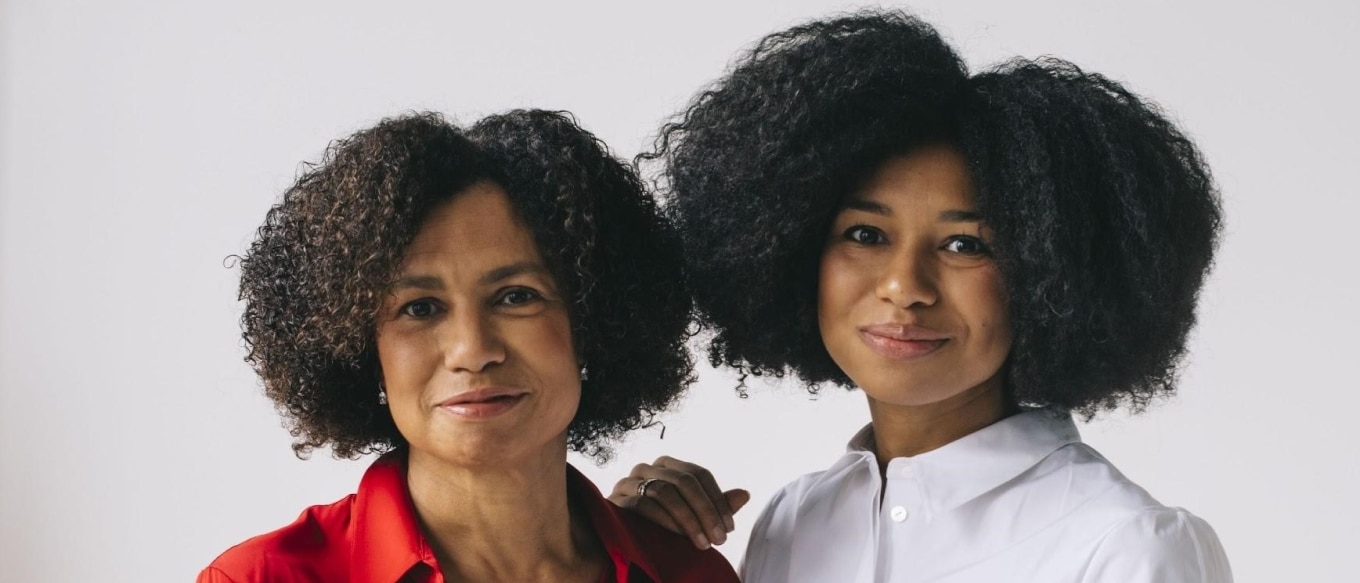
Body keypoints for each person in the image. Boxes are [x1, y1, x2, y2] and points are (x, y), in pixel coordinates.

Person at [610, 10, 1232, 582]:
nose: (904, 287)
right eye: (865, 234)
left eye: (966, 245)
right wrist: (619, 546)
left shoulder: (1124, 546)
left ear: (1051, 276)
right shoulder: (794, 522)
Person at [199, 110, 738, 583]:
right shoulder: (264, 579)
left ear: (594, 322)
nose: (473, 349)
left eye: (516, 297)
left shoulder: (687, 575)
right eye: (420, 307)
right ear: (363, 349)